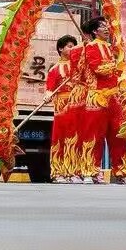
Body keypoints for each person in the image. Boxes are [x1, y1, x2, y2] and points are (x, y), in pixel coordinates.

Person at [76, 14, 126, 184]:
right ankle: (89, 171)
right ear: (94, 31)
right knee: (94, 135)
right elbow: (99, 69)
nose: (106, 28)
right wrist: (118, 64)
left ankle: (122, 172)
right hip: (97, 96)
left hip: (114, 97)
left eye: (107, 25)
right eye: (102, 26)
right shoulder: (91, 47)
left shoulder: (112, 48)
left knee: (118, 134)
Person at [46, 35, 80, 182]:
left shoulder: (78, 67)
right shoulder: (54, 69)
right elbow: (49, 88)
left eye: (74, 46)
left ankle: (74, 171)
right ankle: (58, 172)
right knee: (60, 138)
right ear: (60, 49)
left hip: (77, 104)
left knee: (76, 138)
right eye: (69, 46)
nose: (72, 49)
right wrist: (48, 95)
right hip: (62, 105)